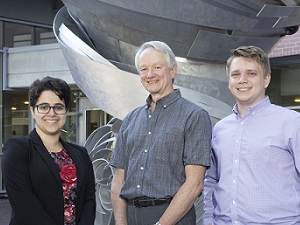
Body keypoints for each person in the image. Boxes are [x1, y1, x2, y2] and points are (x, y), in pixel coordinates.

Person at [109, 40, 212, 225]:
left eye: (157, 67)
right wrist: (120, 222)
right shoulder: (130, 119)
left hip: (172, 217)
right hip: (128, 216)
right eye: (144, 69)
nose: (150, 75)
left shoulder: (195, 116)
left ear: (173, 70)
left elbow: (194, 184)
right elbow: (118, 179)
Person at [203, 46, 300, 225]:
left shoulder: (292, 123)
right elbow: (211, 180)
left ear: (266, 79)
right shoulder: (220, 128)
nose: (242, 80)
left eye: (251, 74)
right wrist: (208, 219)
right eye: (235, 74)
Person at [1, 76, 96, 225]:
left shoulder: (81, 154)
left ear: (66, 111)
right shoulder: (18, 150)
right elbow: (25, 206)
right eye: (44, 107)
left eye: (58, 107)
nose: (52, 113)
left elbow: (89, 201)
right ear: (33, 110)